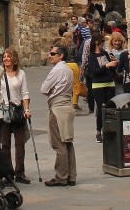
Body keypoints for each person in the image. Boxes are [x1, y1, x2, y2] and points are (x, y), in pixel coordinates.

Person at [41, 43, 77, 186]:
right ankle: (71, 175)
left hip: (57, 107)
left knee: (59, 143)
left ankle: (61, 176)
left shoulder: (57, 69)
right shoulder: (68, 69)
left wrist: (52, 91)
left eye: (52, 53)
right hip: (67, 105)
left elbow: (44, 88)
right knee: (67, 142)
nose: (49, 56)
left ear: (61, 55)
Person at [0, 47, 31, 184]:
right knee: (5, 144)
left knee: (20, 144)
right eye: (4, 56)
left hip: (17, 110)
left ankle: (20, 172)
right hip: (5, 110)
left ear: (14, 59)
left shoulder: (21, 74)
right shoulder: (0, 74)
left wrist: (27, 109)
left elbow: (25, 92)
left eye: (8, 56)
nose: (6, 58)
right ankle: (8, 172)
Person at [86, 32, 119, 142]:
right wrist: (106, 65)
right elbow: (95, 71)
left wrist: (115, 63)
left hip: (109, 83)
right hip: (98, 84)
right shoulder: (91, 57)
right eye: (102, 42)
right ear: (97, 43)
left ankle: (110, 130)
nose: (103, 44)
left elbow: (112, 69)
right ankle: (99, 131)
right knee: (101, 108)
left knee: (110, 107)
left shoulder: (105, 54)